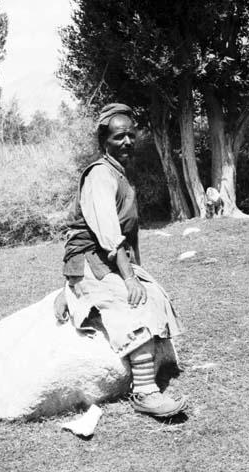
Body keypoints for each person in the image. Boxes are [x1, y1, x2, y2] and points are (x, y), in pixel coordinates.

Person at [54, 102, 186, 418]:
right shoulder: (100, 175)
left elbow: (127, 238)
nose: (126, 142)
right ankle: (145, 393)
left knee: (152, 292)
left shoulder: (119, 174)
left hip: (105, 258)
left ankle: (75, 293)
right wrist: (128, 279)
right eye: (118, 137)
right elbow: (108, 234)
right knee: (132, 306)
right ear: (104, 142)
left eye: (130, 135)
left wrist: (136, 274)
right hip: (91, 259)